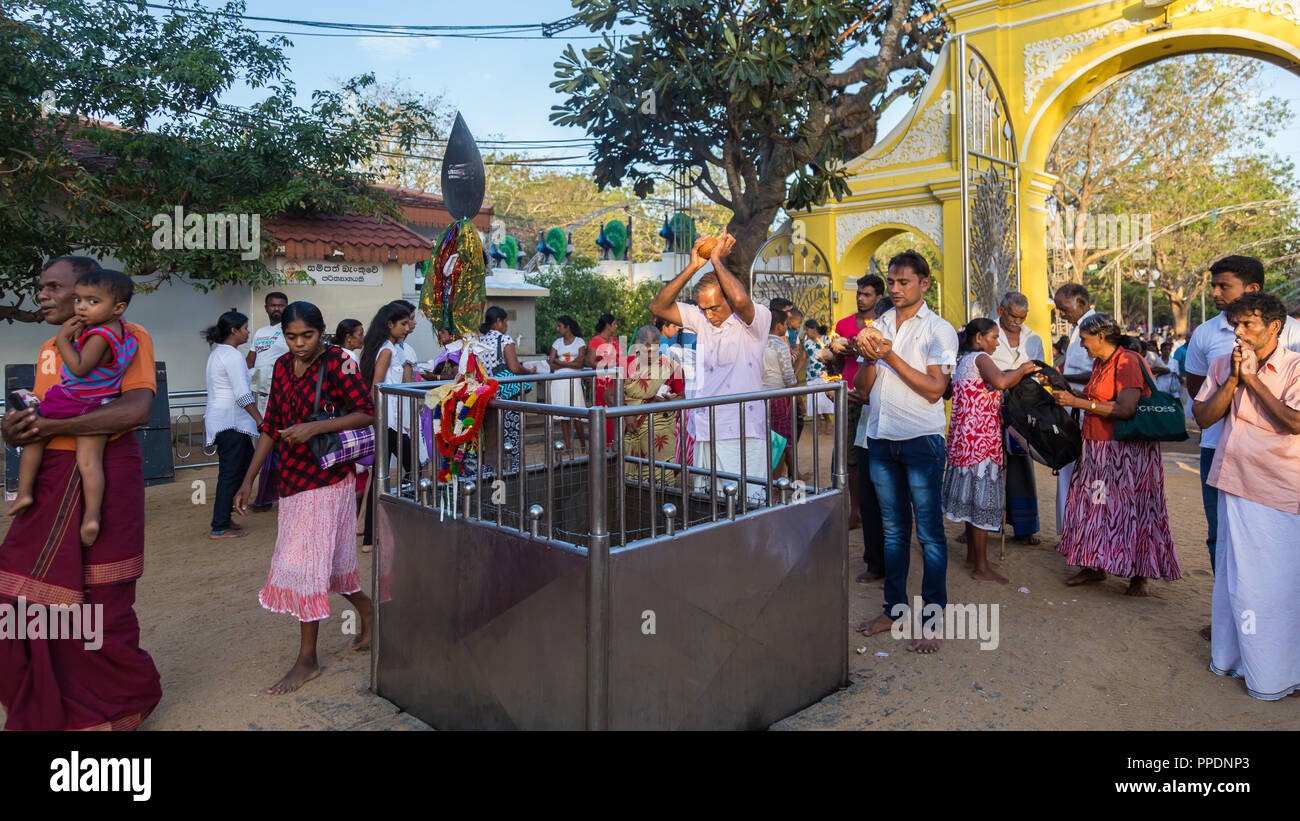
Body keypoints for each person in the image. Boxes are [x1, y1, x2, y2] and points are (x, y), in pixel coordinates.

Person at [0, 256, 162, 730]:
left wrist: (51, 424)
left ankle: (121, 706)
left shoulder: (129, 336)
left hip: (103, 473)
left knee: (100, 602)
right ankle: (48, 701)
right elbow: (40, 422)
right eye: (40, 287)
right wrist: (17, 430)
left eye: (54, 287)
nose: (43, 296)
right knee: (18, 599)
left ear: (88, 293)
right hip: (50, 477)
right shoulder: (52, 347)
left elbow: (135, 408)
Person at [233, 301, 376, 695]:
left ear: (321, 331)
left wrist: (315, 429)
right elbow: (271, 428)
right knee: (329, 564)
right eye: (291, 336)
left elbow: (366, 412)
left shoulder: (339, 362)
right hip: (292, 480)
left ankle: (307, 660)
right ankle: (369, 611)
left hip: (327, 478)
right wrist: (248, 479)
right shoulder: (280, 366)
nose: (298, 344)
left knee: (306, 566)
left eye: (307, 336)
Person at [1190, 293, 1300, 699]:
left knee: (1277, 586)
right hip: (1234, 481)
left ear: (1274, 327)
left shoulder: (1294, 367)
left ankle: (1279, 674)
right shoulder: (1223, 364)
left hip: (1280, 489)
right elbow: (1203, 418)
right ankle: (1233, 659)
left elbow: (1295, 422)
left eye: (1247, 324)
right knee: (1237, 582)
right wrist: (1234, 379)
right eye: (1234, 324)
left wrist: (1252, 380)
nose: (1237, 332)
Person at [854, 251, 958, 653]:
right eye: (891, 282)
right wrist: (867, 356)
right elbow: (864, 389)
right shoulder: (878, 324)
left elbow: (935, 390)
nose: (895, 289)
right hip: (880, 439)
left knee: (930, 534)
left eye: (904, 282)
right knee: (894, 532)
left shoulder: (939, 330)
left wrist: (888, 355)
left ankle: (932, 619)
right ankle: (892, 610)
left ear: (924, 284)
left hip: (921, 441)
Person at [1184, 256, 1300, 574]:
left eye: (1225, 286)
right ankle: (1228, 615)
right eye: (1214, 286)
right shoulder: (1207, 334)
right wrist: (1233, 384)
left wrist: (1253, 383)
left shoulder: (1293, 334)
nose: (1216, 292)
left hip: (1280, 461)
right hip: (1220, 448)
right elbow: (1197, 391)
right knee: (1222, 536)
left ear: (1252, 288)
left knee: (1276, 543)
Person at [1051, 313, 1181, 595]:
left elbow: (1126, 409)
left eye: (1085, 340)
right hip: (1098, 449)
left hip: (1126, 453)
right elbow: (1097, 393)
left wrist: (1077, 401)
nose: (1083, 346)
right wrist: (1067, 387)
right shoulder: (1102, 362)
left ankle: (1139, 575)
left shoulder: (1128, 362)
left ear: (1101, 337)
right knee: (1096, 507)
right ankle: (1094, 564)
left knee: (1133, 510)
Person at [9, 269, 138, 548]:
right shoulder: (125, 334)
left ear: (117, 308)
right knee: (90, 463)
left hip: (72, 400)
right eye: (79, 300)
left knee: (34, 437)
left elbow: (79, 368)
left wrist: (63, 340)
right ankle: (92, 518)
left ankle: (23, 493)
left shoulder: (100, 335)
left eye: (92, 301)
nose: (81, 306)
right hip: (99, 404)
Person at [649, 231, 771, 502]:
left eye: (714, 307)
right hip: (705, 429)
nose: (708, 314)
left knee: (748, 506)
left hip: (743, 432)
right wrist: (693, 267)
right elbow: (657, 306)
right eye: (703, 308)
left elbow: (741, 301)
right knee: (708, 508)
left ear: (728, 298)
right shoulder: (701, 318)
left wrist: (717, 260)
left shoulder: (757, 319)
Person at [943, 318, 1038, 583]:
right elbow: (1001, 382)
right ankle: (981, 566)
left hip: (965, 440)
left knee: (972, 501)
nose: (997, 342)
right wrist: (1021, 370)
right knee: (982, 502)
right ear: (979, 339)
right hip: (981, 442)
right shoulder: (981, 358)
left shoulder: (964, 361)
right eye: (994, 337)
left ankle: (975, 558)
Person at [358, 302, 418, 550]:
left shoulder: (389, 348)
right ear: (390, 325)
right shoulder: (387, 350)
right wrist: (381, 421)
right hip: (389, 421)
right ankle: (404, 527)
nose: (407, 327)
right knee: (413, 468)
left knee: (381, 475)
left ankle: (372, 538)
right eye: (403, 323)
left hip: (389, 420)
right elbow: (377, 386)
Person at [990, 291, 1046, 546]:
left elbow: (1041, 372)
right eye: (1013, 316)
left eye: (1022, 317)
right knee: (987, 467)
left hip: (1021, 410)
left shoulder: (1033, 338)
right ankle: (979, 527)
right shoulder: (986, 334)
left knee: (1021, 466)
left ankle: (1024, 528)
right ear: (1001, 311)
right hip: (989, 409)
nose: (1017, 322)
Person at [202, 311, 263, 540]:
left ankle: (225, 517)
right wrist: (260, 419)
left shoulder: (220, 353)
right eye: (246, 328)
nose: (248, 332)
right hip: (231, 422)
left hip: (228, 421)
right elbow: (242, 394)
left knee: (242, 468)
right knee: (230, 473)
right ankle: (219, 525)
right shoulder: (231, 355)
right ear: (234, 331)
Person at [835, 274, 886, 536]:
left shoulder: (884, 324)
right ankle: (854, 510)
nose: (860, 298)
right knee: (850, 459)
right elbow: (832, 365)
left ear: (879, 297)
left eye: (866, 294)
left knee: (876, 458)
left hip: (875, 398)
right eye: (859, 293)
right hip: (849, 396)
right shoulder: (843, 324)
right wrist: (836, 354)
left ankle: (875, 510)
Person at [1051, 283, 1097, 535]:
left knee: (1086, 478)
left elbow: (1104, 371)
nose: (1061, 314)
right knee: (1068, 473)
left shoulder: (1095, 326)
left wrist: (1065, 378)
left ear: (1080, 303)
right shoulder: (1078, 328)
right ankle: (1071, 533)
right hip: (1073, 411)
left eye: (1063, 308)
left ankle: (1080, 535)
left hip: (1088, 411)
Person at [622, 325, 686, 484]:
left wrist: (668, 402)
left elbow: (682, 398)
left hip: (661, 432)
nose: (650, 355)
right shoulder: (625, 364)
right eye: (645, 351)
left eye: (654, 350)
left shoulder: (672, 366)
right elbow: (610, 396)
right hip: (632, 429)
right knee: (631, 479)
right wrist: (627, 413)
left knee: (661, 479)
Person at [480, 305, 537, 474]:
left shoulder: (479, 339)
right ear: (498, 321)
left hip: (485, 394)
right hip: (506, 394)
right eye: (505, 322)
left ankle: (489, 471)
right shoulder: (504, 339)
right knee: (511, 432)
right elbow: (514, 367)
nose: (506, 327)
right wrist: (529, 371)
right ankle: (511, 469)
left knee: (490, 435)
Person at [247, 292, 289, 509]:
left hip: (282, 399)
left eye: (281, 305)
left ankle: (283, 494)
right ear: (266, 308)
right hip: (261, 397)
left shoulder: (289, 332)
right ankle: (267, 496)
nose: (277, 309)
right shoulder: (260, 332)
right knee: (266, 448)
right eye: (273, 305)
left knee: (280, 446)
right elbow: (251, 360)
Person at [762, 308, 801, 480]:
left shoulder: (757, 342)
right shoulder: (779, 344)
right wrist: (798, 396)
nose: (786, 327)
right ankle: (776, 484)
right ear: (778, 326)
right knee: (780, 441)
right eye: (785, 324)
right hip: (778, 397)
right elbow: (788, 377)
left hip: (757, 397)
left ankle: (766, 482)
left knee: (765, 440)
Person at [548, 315, 589, 453]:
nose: (557, 328)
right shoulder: (557, 343)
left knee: (577, 414)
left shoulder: (579, 342)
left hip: (574, 380)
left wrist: (560, 362)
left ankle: (583, 445)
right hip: (558, 381)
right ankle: (569, 447)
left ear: (568, 327)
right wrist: (568, 364)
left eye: (560, 326)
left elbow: (580, 363)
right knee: (563, 416)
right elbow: (551, 363)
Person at [587, 312, 622, 448]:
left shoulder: (615, 340)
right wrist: (608, 364)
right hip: (602, 381)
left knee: (615, 410)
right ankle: (601, 444)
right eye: (614, 324)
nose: (616, 326)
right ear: (608, 325)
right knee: (603, 411)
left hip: (615, 380)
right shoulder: (595, 341)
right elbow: (590, 362)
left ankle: (614, 442)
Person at [802, 320, 835, 424]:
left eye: (807, 329)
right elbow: (803, 359)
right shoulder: (807, 343)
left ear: (814, 329)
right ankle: (818, 425)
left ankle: (828, 422)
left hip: (824, 376)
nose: (806, 332)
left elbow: (834, 356)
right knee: (814, 403)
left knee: (823, 402)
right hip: (811, 377)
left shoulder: (826, 340)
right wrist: (795, 373)